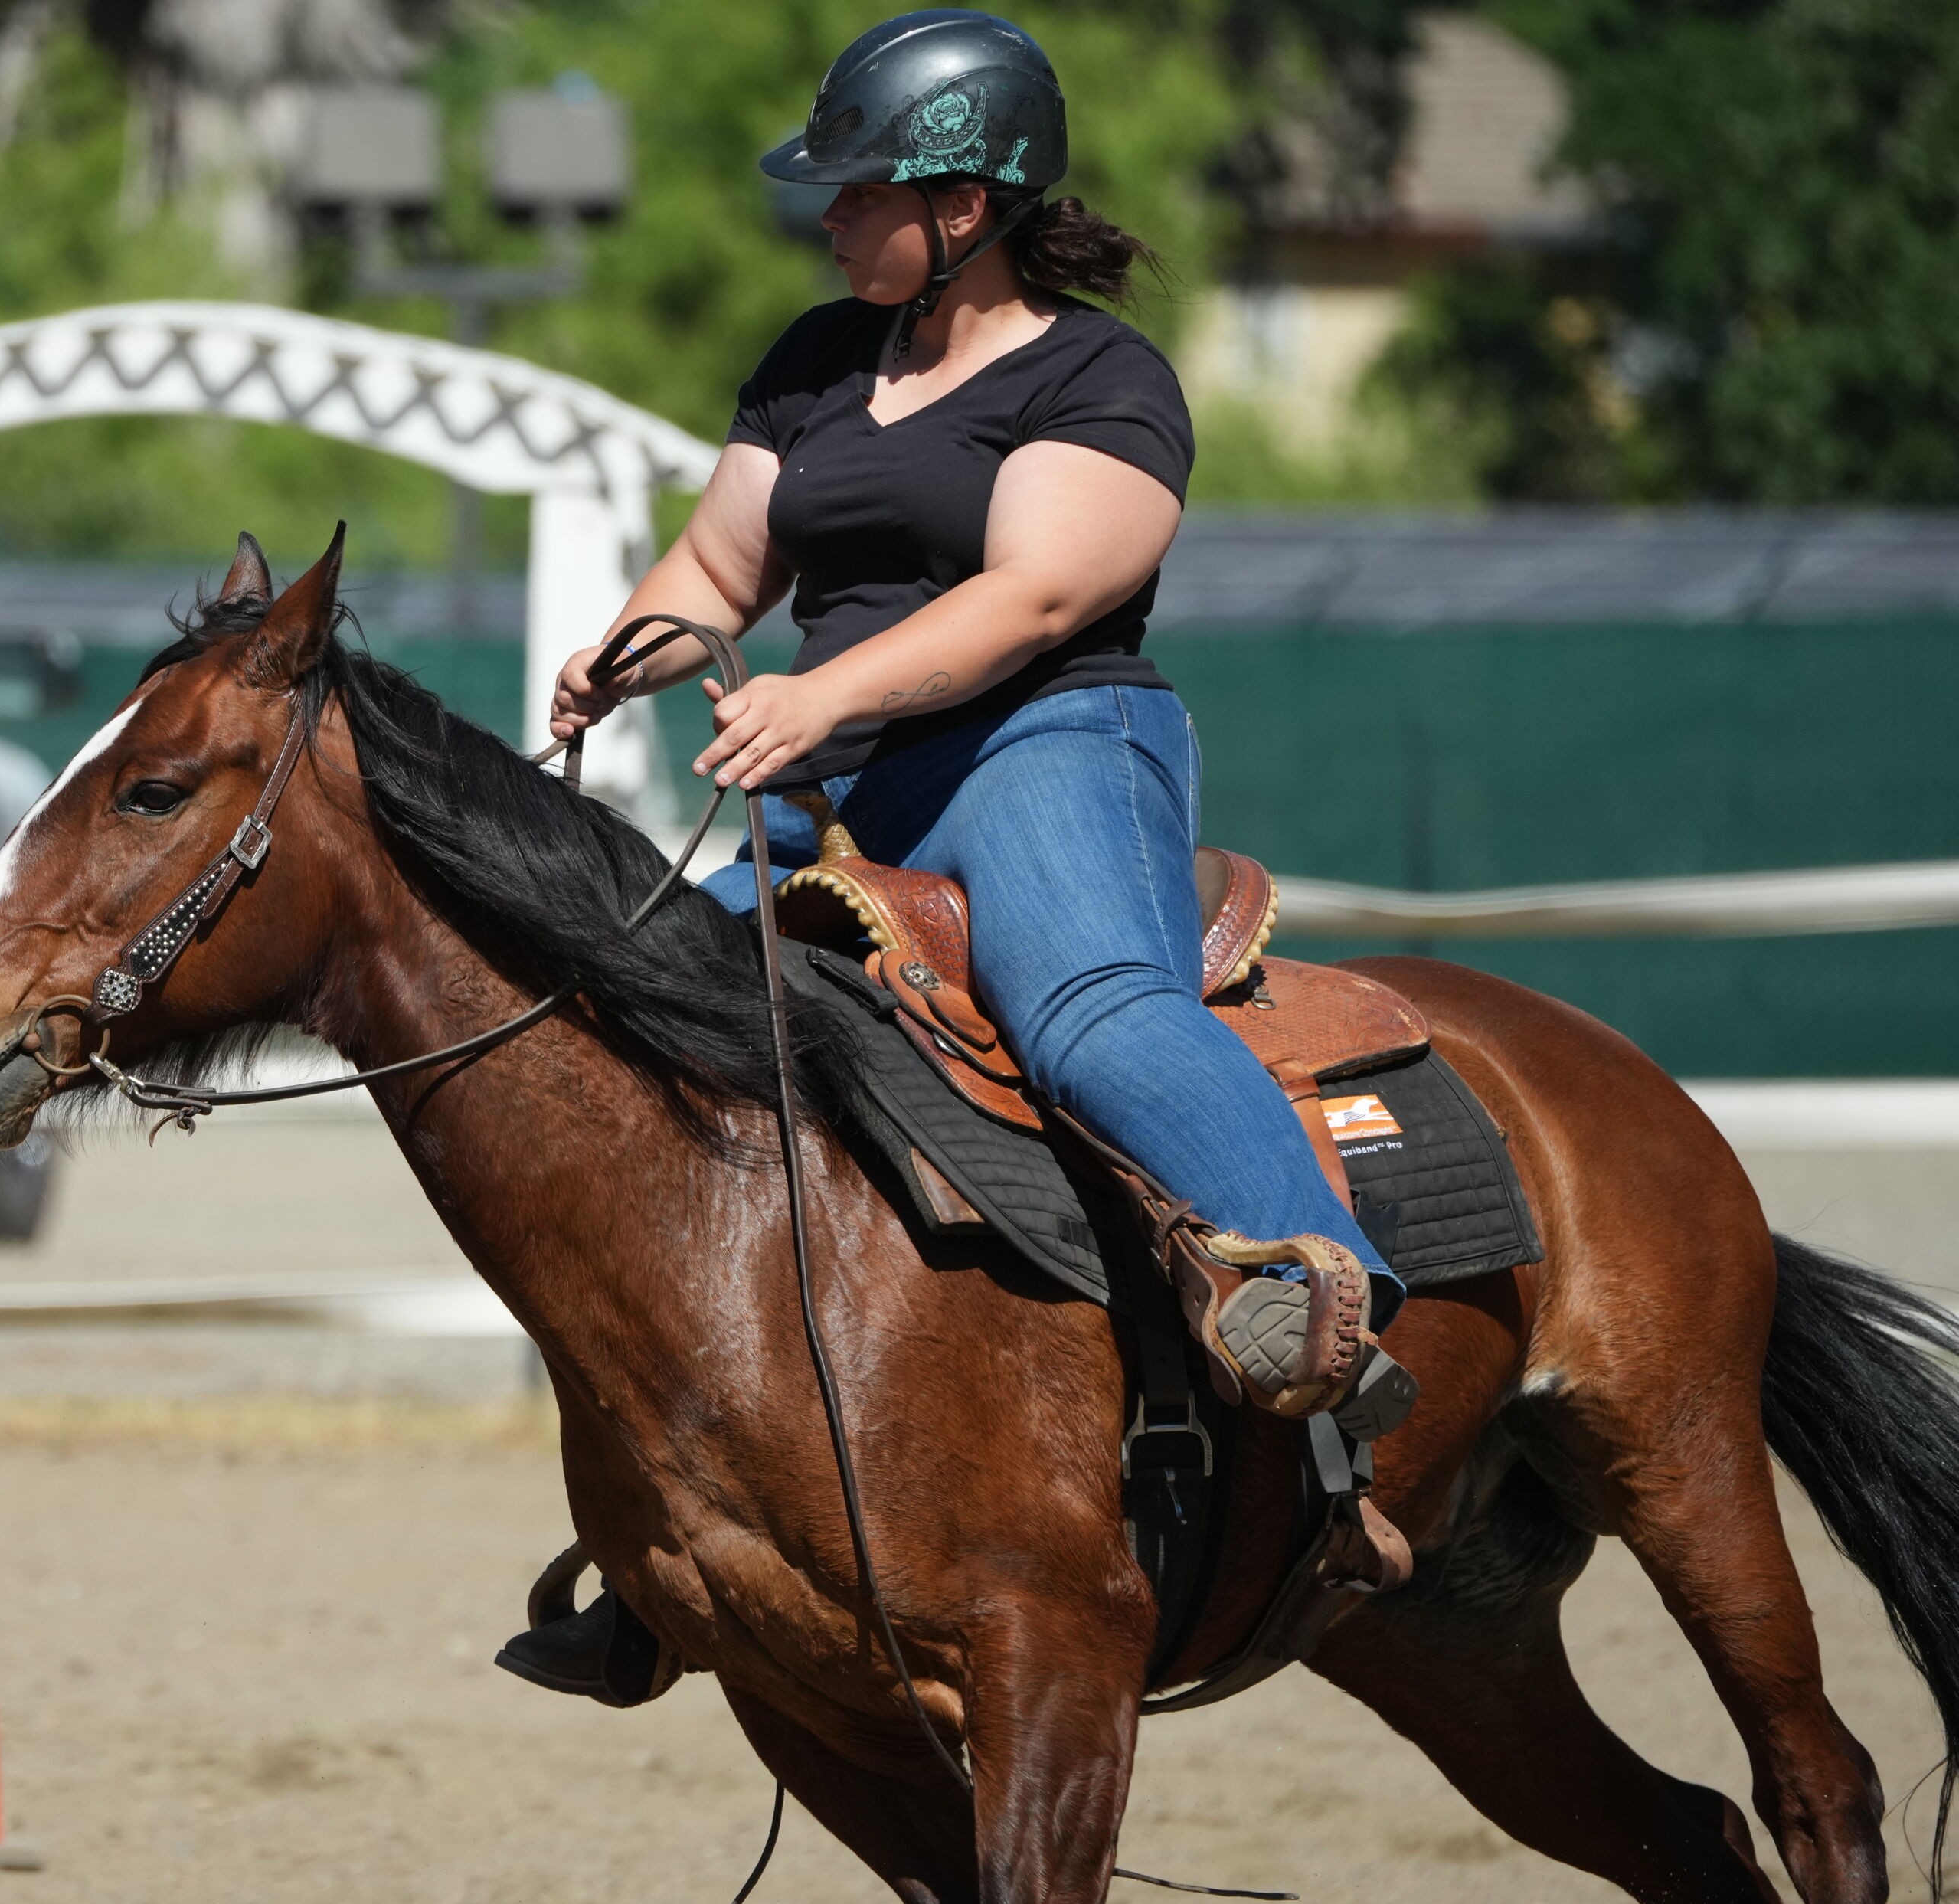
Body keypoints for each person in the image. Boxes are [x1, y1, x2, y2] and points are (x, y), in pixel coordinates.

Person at [501, 7, 1410, 1705]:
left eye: (856, 193)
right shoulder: (813, 358)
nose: (826, 221)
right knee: (632, 1039)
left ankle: (1325, 1310)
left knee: (1083, 1009)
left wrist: (816, 694)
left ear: (968, 206)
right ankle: (678, 1530)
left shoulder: (1101, 378)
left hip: (1046, 748)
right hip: (841, 785)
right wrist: (628, 642)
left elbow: (1038, 598)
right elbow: (717, 562)